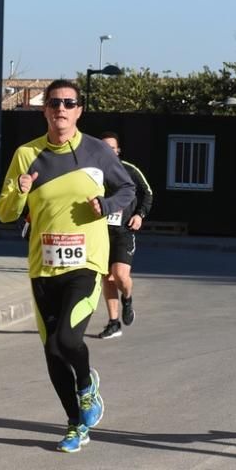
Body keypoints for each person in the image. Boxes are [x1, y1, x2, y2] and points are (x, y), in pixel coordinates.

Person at [0, 80, 135, 453]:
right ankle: (76, 424)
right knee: (53, 352)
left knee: (68, 340)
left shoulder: (96, 152)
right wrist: (21, 189)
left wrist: (106, 207)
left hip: (86, 262)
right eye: (54, 102)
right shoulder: (26, 155)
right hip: (43, 266)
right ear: (45, 110)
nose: (61, 108)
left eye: (69, 103)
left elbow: (127, 190)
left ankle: (88, 386)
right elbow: (5, 212)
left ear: (79, 110)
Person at [96, 131, 153, 340]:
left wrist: (140, 215)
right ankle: (113, 323)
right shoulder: (92, 173)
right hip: (100, 233)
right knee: (107, 278)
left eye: (111, 148)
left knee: (119, 275)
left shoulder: (129, 170)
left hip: (123, 232)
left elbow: (148, 193)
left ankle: (127, 299)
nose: (107, 151)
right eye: (103, 147)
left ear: (118, 150)